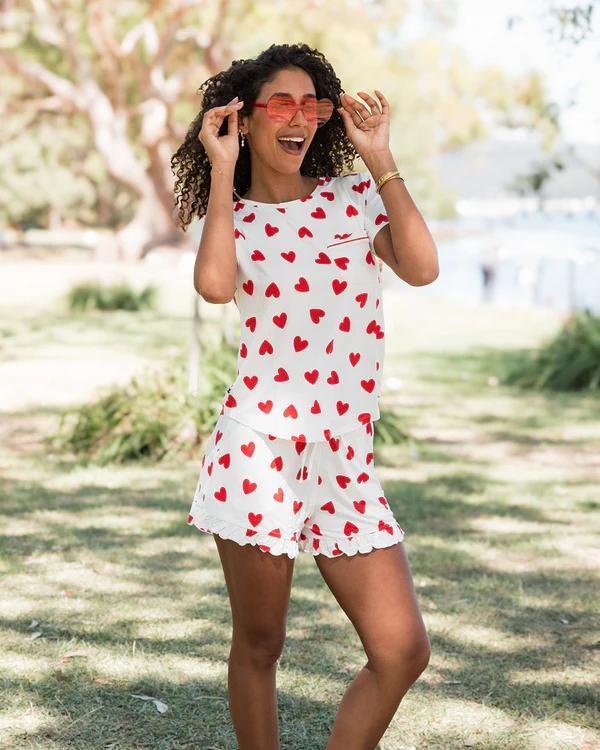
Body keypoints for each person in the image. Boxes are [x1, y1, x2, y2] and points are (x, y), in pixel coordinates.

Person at [171, 42, 439, 750]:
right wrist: (222, 169)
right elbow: (215, 287)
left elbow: (422, 268)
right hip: (258, 451)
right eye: (281, 104)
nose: (299, 118)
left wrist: (380, 158)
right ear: (245, 118)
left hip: (345, 456)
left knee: (402, 649)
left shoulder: (353, 198)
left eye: (311, 105)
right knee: (261, 643)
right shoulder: (233, 216)